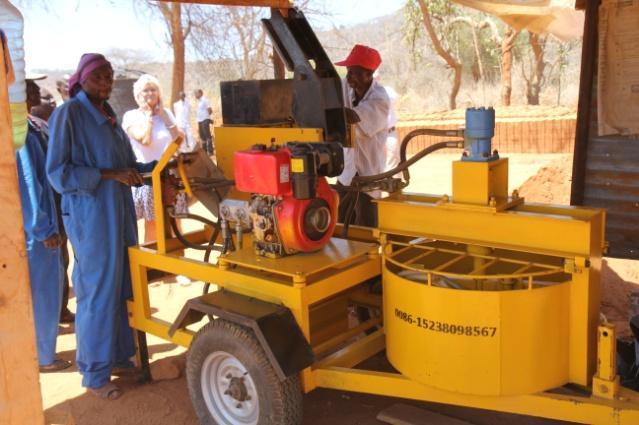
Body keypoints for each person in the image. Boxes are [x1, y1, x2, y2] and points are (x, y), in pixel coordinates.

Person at [47, 53, 157, 400]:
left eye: (109, 77)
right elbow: (58, 173)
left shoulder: (108, 116)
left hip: (119, 213)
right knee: (97, 291)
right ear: (83, 79)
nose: (106, 83)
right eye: (99, 78)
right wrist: (110, 175)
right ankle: (94, 375)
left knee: (123, 283)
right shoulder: (70, 114)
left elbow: (128, 166)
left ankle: (120, 357)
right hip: (91, 217)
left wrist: (162, 165)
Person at [17, 77, 70, 373]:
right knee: (43, 292)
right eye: (31, 91)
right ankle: (43, 357)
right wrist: (43, 228)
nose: (38, 94)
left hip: (46, 222)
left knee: (46, 289)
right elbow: (28, 183)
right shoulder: (20, 131)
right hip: (38, 231)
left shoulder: (33, 124)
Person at [27, 78, 75, 324]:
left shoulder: (43, 127)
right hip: (40, 215)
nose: (48, 101)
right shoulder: (25, 131)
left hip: (57, 207)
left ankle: (61, 309)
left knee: (61, 262)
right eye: (39, 95)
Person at [122, 74, 186, 244]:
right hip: (149, 179)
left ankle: (178, 266)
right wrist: (150, 117)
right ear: (137, 96)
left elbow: (179, 141)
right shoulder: (131, 116)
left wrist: (164, 117)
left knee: (176, 222)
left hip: (170, 177)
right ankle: (154, 269)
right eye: (145, 90)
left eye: (153, 89)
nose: (150, 93)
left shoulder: (166, 114)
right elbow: (144, 140)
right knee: (153, 226)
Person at [334, 44, 390, 228]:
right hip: (346, 173)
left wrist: (334, 112)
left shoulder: (380, 98)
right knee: (339, 225)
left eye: (355, 73)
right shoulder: (345, 85)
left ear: (369, 75)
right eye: (348, 71)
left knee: (367, 228)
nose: (349, 76)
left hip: (369, 174)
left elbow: (355, 120)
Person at [195, 88, 214, 155]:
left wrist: (208, 119)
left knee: (207, 136)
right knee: (202, 136)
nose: (195, 95)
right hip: (200, 121)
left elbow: (210, 110)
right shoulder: (199, 102)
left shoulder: (205, 100)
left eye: (196, 93)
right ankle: (204, 152)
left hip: (204, 120)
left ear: (200, 93)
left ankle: (210, 151)